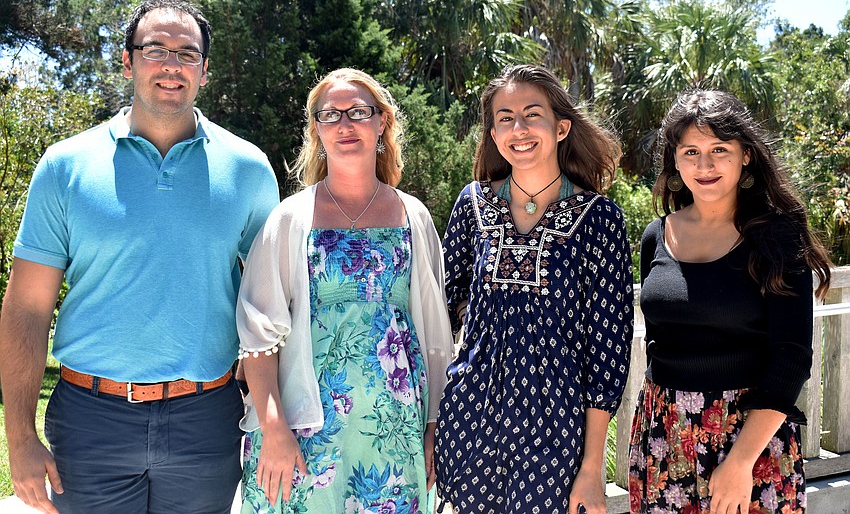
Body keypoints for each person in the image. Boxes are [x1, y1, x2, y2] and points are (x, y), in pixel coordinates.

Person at [0, 0, 280, 514]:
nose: (172, 64)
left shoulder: (249, 170)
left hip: (206, 420)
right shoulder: (65, 167)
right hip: (90, 422)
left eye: (187, 53)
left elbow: (270, 303)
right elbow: (27, 309)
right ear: (128, 62)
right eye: (155, 49)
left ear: (204, 70)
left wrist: (274, 412)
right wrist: (19, 438)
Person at [235, 67, 454, 514]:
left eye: (358, 112)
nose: (344, 124)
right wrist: (274, 430)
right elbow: (258, 338)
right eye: (330, 115)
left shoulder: (414, 216)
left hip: (395, 430)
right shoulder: (289, 218)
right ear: (317, 130)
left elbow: (435, 338)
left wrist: (434, 426)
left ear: (382, 122)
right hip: (301, 431)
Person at [435, 64, 634, 514]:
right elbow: (445, 303)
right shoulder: (472, 205)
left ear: (561, 127)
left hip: (556, 432)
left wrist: (591, 467)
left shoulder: (600, 219)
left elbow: (607, 351)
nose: (518, 129)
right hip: (470, 423)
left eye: (532, 114)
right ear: (493, 133)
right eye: (505, 118)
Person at [628, 89, 832, 513]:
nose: (704, 166)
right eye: (691, 152)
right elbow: (658, 344)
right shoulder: (655, 236)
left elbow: (792, 358)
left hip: (751, 443)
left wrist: (740, 462)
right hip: (663, 435)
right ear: (675, 160)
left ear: (746, 156)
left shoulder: (777, 237)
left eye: (719, 149)